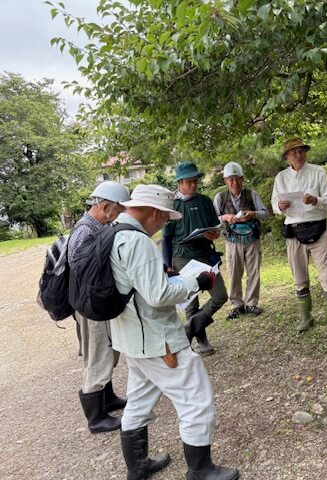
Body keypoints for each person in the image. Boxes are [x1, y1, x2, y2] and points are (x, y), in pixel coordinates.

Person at [110, 184, 239, 480]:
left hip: (130, 337)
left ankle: (137, 467)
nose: (165, 224)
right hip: (157, 338)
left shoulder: (114, 233)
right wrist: (197, 282)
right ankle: (200, 469)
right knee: (196, 397)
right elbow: (157, 296)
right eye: (166, 217)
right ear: (155, 213)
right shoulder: (138, 242)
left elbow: (135, 284)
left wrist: (164, 275)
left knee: (139, 400)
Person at [271, 138, 327, 337]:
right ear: (287, 157)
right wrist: (279, 207)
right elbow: (274, 204)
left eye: (301, 151)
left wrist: (316, 200)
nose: (298, 155)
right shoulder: (281, 177)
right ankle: (306, 317)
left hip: (318, 228)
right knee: (299, 278)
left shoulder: (318, 172)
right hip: (293, 231)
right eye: (294, 152)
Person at [68, 180, 130, 434]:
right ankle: (96, 418)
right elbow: (82, 270)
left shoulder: (94, 226)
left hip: (94, 302)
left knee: (108, 350)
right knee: (97, 354)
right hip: (91, 305)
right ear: (106, 208)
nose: (121, 215)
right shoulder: (85, 230)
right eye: (119, 210)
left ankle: (108, 398)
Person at [162, 161, 228, 355]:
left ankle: (188, 330)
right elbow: (166, 238)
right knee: (191, 300)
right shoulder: (173, 205)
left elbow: (215, 227)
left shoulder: (205, 201)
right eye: (189, 181)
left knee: (220, 296)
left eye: (195, 181)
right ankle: (201, 340)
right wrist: (167, 265)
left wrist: (214, 234)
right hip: (182, 255)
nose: (193, 185)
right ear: (179, 182)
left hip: (205, 252)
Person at [213, 162, 269, 319]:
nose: (234, 182)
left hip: (252, 239)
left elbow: (265, 213)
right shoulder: (220, 197)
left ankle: (251, 303)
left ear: (242, 179)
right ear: (225, 181)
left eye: (237, 179)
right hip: (232, 241)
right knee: (234, 272)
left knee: (254, 271)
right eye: (230, 179)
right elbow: (213, 220)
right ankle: (236, 305)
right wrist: (225, 217)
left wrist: (253, 214)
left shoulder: (252, 194)